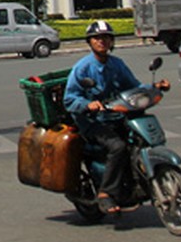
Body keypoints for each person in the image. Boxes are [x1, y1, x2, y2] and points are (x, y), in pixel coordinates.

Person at [63, 20, 169, 215]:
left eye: (106, 38)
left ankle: (138, 181)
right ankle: (106, 193)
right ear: (90, 42)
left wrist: (154, 87)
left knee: (138, 141)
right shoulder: (83, 68)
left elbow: (133, 86)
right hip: (92, 122)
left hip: (116, 116)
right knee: (118, 146)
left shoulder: (117, 64)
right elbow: (69, 98)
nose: (102, 41)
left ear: (112, 42)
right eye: (97, 38)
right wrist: (88, 105)